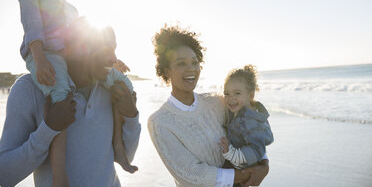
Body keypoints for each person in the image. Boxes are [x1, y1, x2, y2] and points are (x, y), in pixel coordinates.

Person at [18, 0, 135, 186]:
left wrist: (110, 58)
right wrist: (39, 59)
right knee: (61, 97)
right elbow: (33, 29)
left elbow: (83, 40)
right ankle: (59, 173)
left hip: (66, 57)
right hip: (45, 54)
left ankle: (118, 147)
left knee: (119, 85)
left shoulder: (70, 7)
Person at [0, 23, 141, 187]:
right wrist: (48, 129)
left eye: (114, 49)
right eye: (105, 49)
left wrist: (131, 115)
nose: (114, 59)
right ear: (78, 49)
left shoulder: (109, 88)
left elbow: (126, 157)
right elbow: (4, 175)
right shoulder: (29, 89)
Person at [148, 25, 269, 187]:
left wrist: (263, 164)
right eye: (181, 63)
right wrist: (243, 175)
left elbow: (250, 129)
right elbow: (191, 175)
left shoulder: (217, 102)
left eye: (194, 62)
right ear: (166, 71)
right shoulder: (160, 123)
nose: (191, 69)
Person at [219, 65, 274, 186]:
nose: (230, 98)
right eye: (226, 93)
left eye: (237, 93)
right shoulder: (241, 110)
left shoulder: (251, 122)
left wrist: (230, 153)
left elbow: (255, 152)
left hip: (241, 169)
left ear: (250, 95)